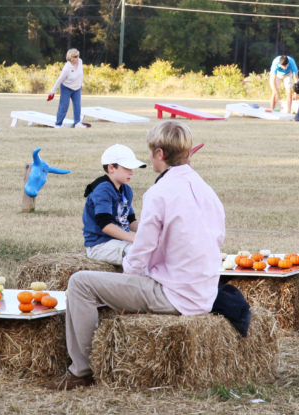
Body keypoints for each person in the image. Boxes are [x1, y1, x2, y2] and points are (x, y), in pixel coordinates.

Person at [48, 120, 225, 390]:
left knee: (80, 283)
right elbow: (217, 239)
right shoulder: (207, 190)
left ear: (160, 154)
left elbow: (142, 250)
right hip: (206, 290)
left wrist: (129, 276)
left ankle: (82, 370)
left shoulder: (159, 192)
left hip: (174, 293)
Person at [82, 144, 146, 266]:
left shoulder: (126, 190)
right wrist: (136, 239)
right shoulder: (103, 190)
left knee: (152, 250)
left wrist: (150, 232)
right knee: (139, 254)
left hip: (119, 242)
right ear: (111, 168)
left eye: (132, 169)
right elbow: (105, 225)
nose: (132, 172)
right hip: (100, 245)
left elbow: (131, 221)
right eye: (127, 168)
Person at [47, 48, 85, 128]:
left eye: (78, 56)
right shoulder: (67, 67)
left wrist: (81, 83)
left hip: (77, 88)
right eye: (75, 56)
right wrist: (52, 91)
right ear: (70, 58)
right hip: (66, 88)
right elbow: (59, 80)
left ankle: (77, 123)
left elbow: (81, 73)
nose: (77, 58)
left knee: (77, 105)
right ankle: (58, 124)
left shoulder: (80, 62)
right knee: (64, 106)